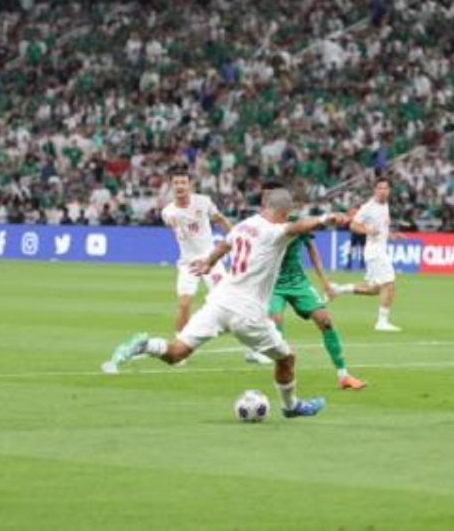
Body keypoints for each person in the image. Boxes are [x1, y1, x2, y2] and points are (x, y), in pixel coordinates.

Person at [102, 188, 346, 418]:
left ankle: (145, 345)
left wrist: (208, 262)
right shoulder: (275, 231)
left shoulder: (244, 225)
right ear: (283, 212)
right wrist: (325, 218)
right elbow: (299, 226)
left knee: (177, 352)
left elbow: (224, 244)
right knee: (286, 358)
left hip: (219, 301)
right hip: (247, 312)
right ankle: (291, 406)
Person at [161, 169, 272, 365]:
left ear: (190, 185)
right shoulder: (168, 211)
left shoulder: (203, 202)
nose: (180, 186)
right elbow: (174, 225)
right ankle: (178, 350)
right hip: (188, 263)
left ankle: (251, 350)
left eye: (183, 182)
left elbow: (220, 219)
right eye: (176, 183)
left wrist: (236, 239)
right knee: (185, 304)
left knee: (234, 304)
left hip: (211, 260)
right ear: (172, 186)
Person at [262, 182, 366, 389]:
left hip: (298, 282)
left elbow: (311, 248)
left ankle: (344, 375)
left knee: (325, 320)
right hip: (272, 284)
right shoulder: (259, 226)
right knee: (275, 321)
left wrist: (325, 281)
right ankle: (283, 375)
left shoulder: (296, 222)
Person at [331, 178, 403, 331]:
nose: (383, 191)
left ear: (389, 191)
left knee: (374, 289)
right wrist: (367, 231)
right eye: (380, 188)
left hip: (379, 250)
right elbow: (353, 225)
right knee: (389, 284)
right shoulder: (369, 207)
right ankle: (382, 322)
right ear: (375, 190)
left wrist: (391, 235)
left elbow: (382, 227)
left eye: (385, 188)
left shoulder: (385, 206)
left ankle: (339, 289)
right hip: (375, 251)